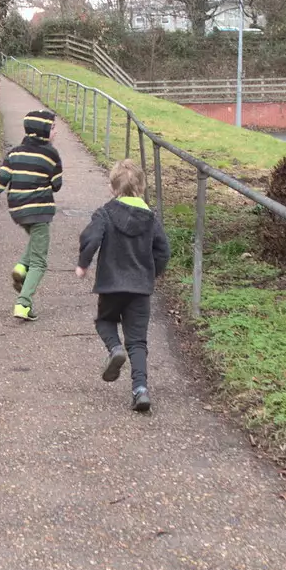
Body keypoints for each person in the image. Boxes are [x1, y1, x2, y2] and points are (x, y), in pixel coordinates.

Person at [75, 158, 171, 412]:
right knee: (138, 341)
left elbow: (91, 237)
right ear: (142, 187)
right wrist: (153, 273)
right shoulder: (151, 219)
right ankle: (140, 390)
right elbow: (163, 251)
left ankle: (115, 348)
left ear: (112, 188)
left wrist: (83, 263)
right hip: (140, 288)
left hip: (110, 285)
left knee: (104, 321)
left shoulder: (105, 213)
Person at [0, 107, 64, 323]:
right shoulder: (51, 154)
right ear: (42, 131)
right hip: (40, 210)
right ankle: (23, 303)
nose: (56, 132)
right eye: (53, 128)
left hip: (18, 211)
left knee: (35, 241)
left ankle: (21, 266)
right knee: (40, 262)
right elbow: (57, 184)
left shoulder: (14, 153)